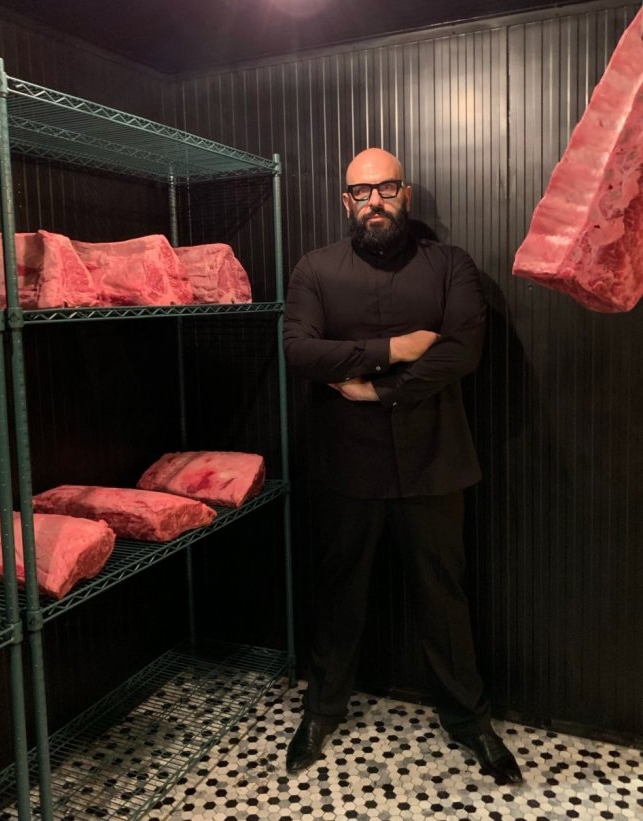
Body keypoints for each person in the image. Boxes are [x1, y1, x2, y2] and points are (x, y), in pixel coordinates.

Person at [282, 147, 522, 785]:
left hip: (434, 461)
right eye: (361, 193)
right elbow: (300, 351)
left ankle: (470, 721)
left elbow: (462, 351)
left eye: (386, 189)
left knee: (444, 598)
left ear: (405, 194)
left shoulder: (451, 265)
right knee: (338, 594)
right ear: (346, 202)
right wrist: (396, 347)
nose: (375, 202)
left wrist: (379, 389)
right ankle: (321, 712)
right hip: (343, 466)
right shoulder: (315, 268)